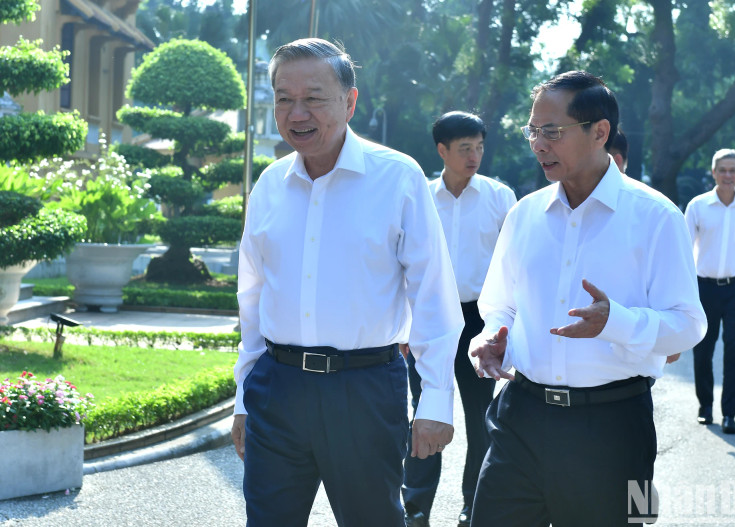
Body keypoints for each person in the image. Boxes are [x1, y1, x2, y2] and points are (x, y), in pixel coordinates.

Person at [230, 38, 464, 527]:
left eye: (314, 97)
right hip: (277, 388)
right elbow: (252, 299)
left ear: (350, 101)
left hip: (364, 388)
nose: (297, 113)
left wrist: (436, 399)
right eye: (283, 98)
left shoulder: (397, 178)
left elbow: (433, 296)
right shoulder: (270, 185)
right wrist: (243, 400)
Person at [467, 70, 707, 526]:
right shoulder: (525, 214)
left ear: (600, 132)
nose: (538, 144)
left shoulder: (657, 217)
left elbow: (689, 324)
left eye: (552, 132)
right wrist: (492, 336)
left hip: (616, 427)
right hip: (520, 419)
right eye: (533, 130)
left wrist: (615, 321)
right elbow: (498, 303)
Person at [402, 111, 516, 527]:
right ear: (442, 150)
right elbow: (400, 263)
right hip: (428, 317)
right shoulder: (420, 197)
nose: (474, 156)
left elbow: (516, 266)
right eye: (465, 148)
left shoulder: (501, 198)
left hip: (480, 319)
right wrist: (403, 325)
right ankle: (415, 507)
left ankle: (475, 504)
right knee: (424, 410)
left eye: (480, 147)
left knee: (481, 416)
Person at [684, 149, 735, 435]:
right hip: (704, 288)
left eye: (733, 170)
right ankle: (705, 406)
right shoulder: (698, 206)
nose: (727, 175)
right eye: (722, 170)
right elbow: (684, 249)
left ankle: (730, 414)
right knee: (703, 350)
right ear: (713, 172)